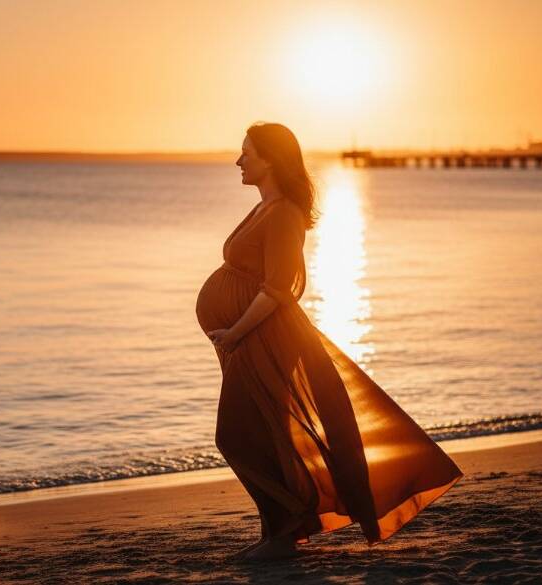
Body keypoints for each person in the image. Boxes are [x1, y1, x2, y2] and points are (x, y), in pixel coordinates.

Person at [195, 122, 463, 561]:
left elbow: (278, 289)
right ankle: (280, 534)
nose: (238, 160)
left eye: (247, 153)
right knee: (264, 434)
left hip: (264, 337)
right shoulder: (265, 208)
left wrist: (237, 333)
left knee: (239, 435)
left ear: (271, 160)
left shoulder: (283, 212)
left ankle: (286, 533)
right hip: (247, 339)